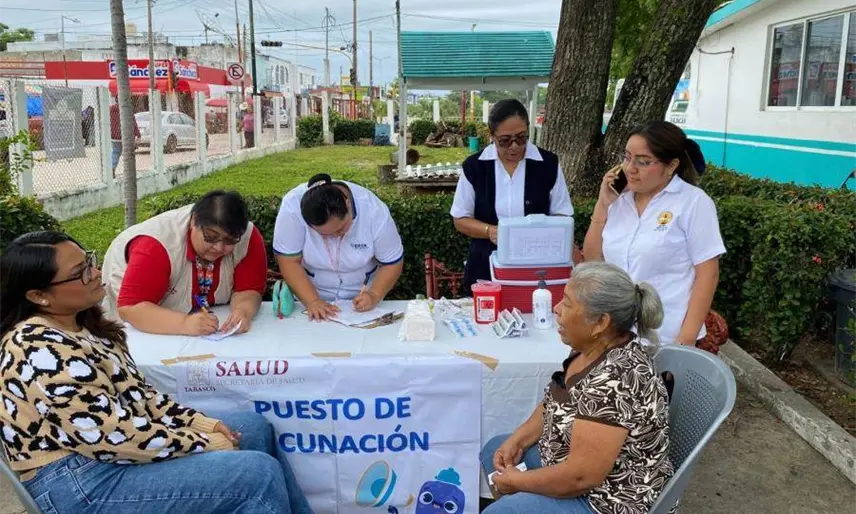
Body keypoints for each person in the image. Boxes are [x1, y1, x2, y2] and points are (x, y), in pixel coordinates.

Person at [0, 231, 313, 514]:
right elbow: (113, 437)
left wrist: (202, 424)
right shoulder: (37, 347)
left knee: (253, 427)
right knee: (255, 474)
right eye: (80, 273)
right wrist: (202, 442)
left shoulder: (83, 325)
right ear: (38, 296)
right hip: (78, 482)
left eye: (89, 262)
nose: (95, 273)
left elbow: (141, 397)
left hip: (105, 453)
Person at [481, 262, 673, 514]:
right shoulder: (589, 349)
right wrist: (518, 439)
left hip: (609, 498)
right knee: (496, 449)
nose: (557, 309)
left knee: (501, 512)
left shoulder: (615, 378)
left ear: (600, 322)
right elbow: (556, 402)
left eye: (568, 304)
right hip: (571, 462)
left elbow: (581, 478)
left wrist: (517, 481)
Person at [583, 120, 726, 346]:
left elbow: (707, 275)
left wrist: (685, 340)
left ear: (671, 166)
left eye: (643, 162)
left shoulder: (693, 202)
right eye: (627, 157)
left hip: (666, 336)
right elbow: (592, 260)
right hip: (616, 333)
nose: (630, 168)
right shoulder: (619, 200)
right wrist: (602, 204)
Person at [102, 190, 267, 336]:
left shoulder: (247, 237)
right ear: (194, 221)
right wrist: (185, 324)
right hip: (141, 325)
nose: (218, 247)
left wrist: (243, 311)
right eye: (211, 237)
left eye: (230, 240)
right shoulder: (155, 246)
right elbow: (131, 309)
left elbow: (249, 289)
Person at [450, 99, 574, 293]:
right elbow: (460, 219)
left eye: (522, 137)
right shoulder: (475, 167)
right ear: (491, 136)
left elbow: (562, 215)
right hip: (485, 265)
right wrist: (490, 231)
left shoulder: (548, 164)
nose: (515, 146)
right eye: (505, 140)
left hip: (537, 269)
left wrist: (540, 233)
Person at [273, 173, 404, 321]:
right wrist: (312, 301)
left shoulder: (374, 210)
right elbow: (288, 261)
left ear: (347, 203)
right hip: (308, 296)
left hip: (362, 298)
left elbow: (392, 263)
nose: (336, 236)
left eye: (340, 229)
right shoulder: (292, 208)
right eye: (324, 234)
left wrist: (374, 294)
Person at [109, 102, 140, 173]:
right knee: (129, 153)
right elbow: (133, 123)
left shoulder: (110, 110)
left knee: (115, 152)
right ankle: (129, 171)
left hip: (114, 136)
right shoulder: (127, 109)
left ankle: (112, 168)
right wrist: (138, 135)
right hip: (126, 135)